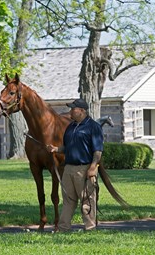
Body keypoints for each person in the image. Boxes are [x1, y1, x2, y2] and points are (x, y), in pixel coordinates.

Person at [47, 98, 103, 232]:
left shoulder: (93, 127)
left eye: (73, 109)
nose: (70, 111)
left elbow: (98, 150)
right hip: (69, 168)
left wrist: (93, 167)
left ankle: (90, 228)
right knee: (68, 200)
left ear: (82, 111)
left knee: (87, 200)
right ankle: (63, 228)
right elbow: (68, 147)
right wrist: (56, 149)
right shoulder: (71, 127)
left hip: (85, 168)